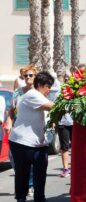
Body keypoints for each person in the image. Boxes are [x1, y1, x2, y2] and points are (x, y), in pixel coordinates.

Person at [9, 71, 55, 202]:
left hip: (39, 143)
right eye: (48, 86)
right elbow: (52, 107)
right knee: (23, 174)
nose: (49, 89)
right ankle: (21, 198)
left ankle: (39, 198)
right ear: (40, 85)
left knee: (40, 175)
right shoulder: (32, 94)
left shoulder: (39, 95)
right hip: (22, 142)